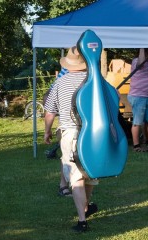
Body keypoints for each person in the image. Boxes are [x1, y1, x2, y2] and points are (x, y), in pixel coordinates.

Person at [44, 46, 98, 232]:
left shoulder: (60, 82)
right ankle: (86, 206)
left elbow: (50, 111)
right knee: (89, 174)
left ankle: (82, 221)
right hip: (93, 133)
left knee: (75, 177)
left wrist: (47, 131)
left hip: (70, 132)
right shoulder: (94, 81)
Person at [43, 66, 72, 197]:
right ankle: (65, 185)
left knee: (67, 157)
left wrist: (47, 131)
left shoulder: (91, 72)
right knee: (68, 156)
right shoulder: (64, 75)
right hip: (73, 125)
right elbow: (49, 97)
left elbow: (48, 99)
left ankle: (67, 186)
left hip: (69, 126)